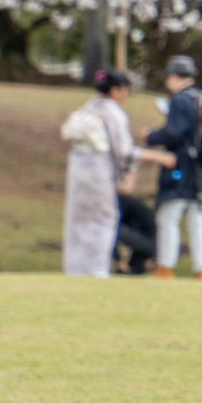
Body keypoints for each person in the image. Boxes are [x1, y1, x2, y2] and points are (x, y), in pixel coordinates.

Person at [59, 69, 166, 277]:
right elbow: (125, 151)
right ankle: (97, 267)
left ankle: (75, 267)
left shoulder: (89, 107)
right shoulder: (114, 113)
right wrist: (158, 157)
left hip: (78, 166)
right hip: (99, 167)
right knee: (104, 218)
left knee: (77, 218)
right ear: (116, 91)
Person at [145, 55, 202, 279]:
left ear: (174, 77)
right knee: (198, 220)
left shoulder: (179, 100)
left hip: (181, 168)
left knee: (168, 216)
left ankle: (166, 267)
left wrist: (151, 136)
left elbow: (174, 132)